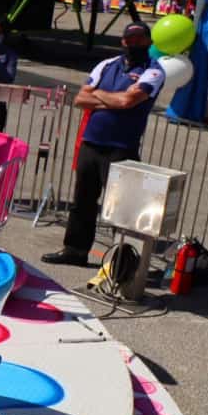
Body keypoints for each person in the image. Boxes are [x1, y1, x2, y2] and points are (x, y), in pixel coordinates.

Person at [41, 22, 166, 267]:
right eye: (130, 39)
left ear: (149, 42)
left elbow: (129, 101)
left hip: (122, 146)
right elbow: (80, 98)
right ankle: (75, 250)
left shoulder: (153, 70)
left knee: (124, 208)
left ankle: (124, 262)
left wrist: (99, 95)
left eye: (140, 39)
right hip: (92, 142)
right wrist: (112, 99)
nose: (134, 43)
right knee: (82, 201)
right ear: (123, 42)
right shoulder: (106, 65)